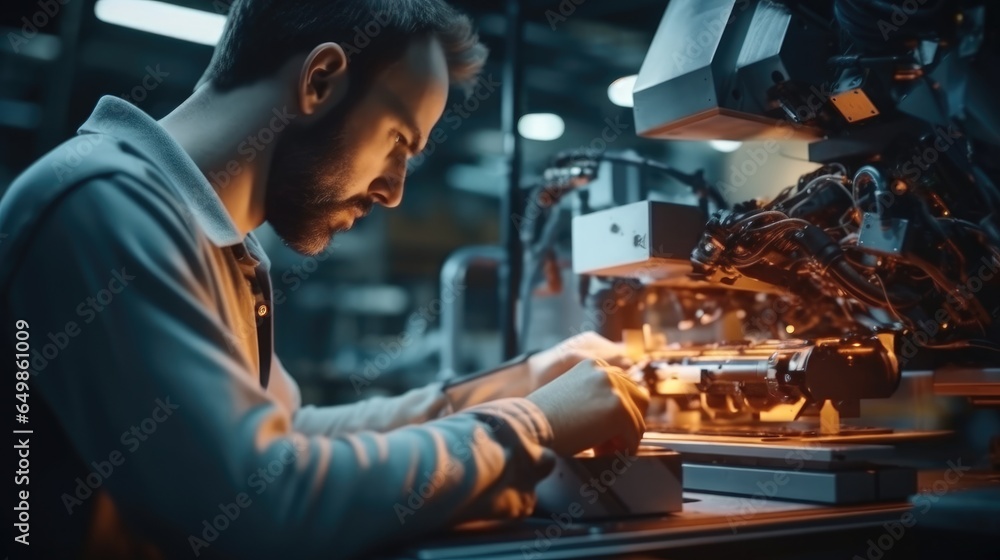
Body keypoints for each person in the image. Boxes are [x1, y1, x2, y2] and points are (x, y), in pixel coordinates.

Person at [0, 0, 649, 558]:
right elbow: (257, 507)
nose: (395, 192)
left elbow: (295, 437)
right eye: (398, 142)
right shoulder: (99, 202)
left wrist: (519, 382)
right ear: (320, 80)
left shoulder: (218, 242)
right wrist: (528, 425)